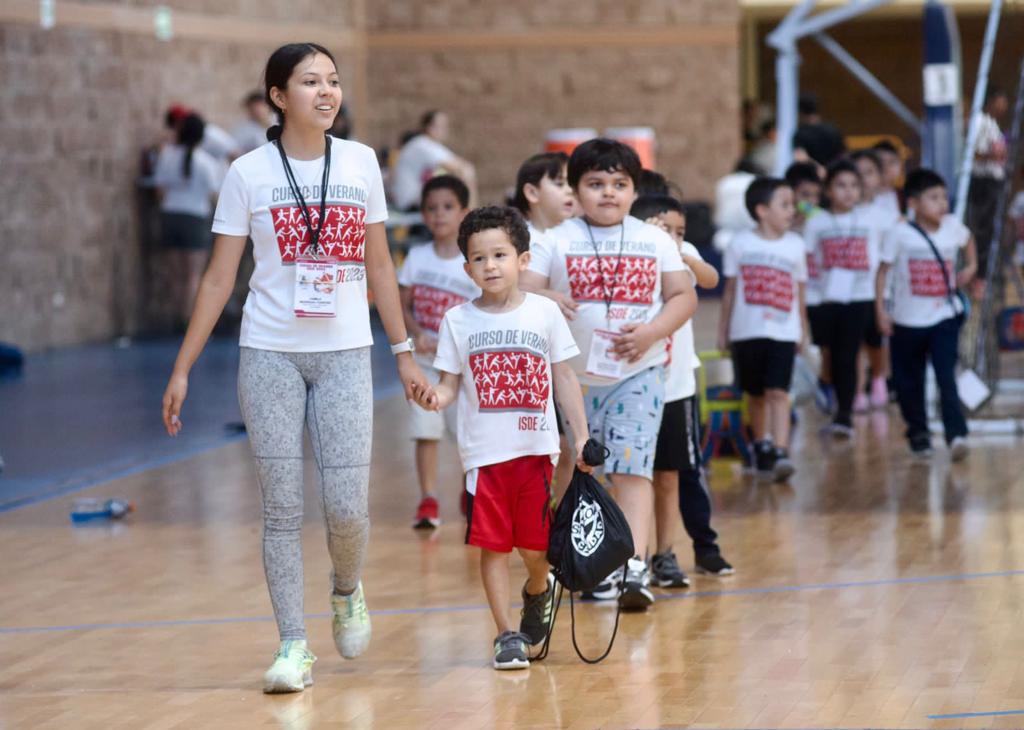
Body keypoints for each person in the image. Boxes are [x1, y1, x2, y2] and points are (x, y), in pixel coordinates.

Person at [160, 43, 429, 694]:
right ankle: (292, 645)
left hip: (344, 355)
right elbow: (221, 276)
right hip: (269, 353)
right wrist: (183, 368)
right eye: (310, 81)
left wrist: (402, 351)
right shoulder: (248, 172)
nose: (327, 92)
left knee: (346, 509)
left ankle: (346, 588)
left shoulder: (361, 162)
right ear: (279, 97)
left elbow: (379, 268)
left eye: (333, 81)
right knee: (281, 509)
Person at [521, 138, 698, 610]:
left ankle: (634, 566)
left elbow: (684, 295)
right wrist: (548, 297)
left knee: (633, 466)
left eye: (619, 184)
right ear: (576, 191)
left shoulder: (654, 239)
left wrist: (652, 332)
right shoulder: (555, 240)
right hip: (574, 381)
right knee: (585, 470)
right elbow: (523, 290)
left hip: (639, 373)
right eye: (595, 184)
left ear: (634, 190)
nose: (608, 193)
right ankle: (588, 564)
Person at [412, 206, 592, 669]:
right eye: (479, 258)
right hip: (484, 456)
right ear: (466, 267)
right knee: (492, 546)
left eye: (500, 255)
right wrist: (433, 397)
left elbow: (564, 377)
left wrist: (582, 436)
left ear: (523, 259)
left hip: (535, 452)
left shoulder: (544, 313)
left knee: (534, 549)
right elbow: (449, 385)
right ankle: (505, 634)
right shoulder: (458, 321)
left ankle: (539, 587)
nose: (490, 265)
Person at [632, 194, 733, 582]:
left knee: (671, 473)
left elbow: (710, 278)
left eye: (679, 230)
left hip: (675, 385)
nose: (674, 235)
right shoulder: (631, 256)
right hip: (635, 382)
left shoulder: (683, 253)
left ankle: (665, 554)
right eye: (665, 229)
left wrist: (681, 252)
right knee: (630, 476)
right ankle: (632, 558)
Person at [876, 169, 976, 459]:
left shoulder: (952, 227)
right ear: (914, 203)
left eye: (944, 197)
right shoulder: (899, 234)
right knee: (909, 380)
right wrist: (881, 311)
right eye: (933, 198)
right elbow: (882, 273)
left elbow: (968, 242)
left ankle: (956, 434)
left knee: (947, 375)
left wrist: (969, 267)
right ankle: (918, 432)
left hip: (944, 316)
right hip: (906, 320)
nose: (942, 203)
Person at [398, 175, 478, 528]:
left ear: (464, 212)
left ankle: (470, 492)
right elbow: (400, 307)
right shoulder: (416, 257)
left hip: (463, 366)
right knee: (425, 430)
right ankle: (428, 498)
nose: (439, 215)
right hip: (425, 362)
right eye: (431, 209)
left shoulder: (474, 260)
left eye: (447, 208)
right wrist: (416, 334)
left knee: (467, 435)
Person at [718, 178, 808, 480]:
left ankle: (781, 449)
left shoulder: (796, 245)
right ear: (761, 210)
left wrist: (803, 331)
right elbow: (730, 292)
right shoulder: (740, 244)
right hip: (746, 332)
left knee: (778, 391)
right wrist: (723, 331)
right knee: (755, 394)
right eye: (784, 204)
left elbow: (800, 293)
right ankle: (762, 445)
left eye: (792, 204)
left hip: (784, 332)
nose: (791, 210)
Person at [804, 159, 887, 437]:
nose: (848, 191)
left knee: (848, 354)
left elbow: (880, 259)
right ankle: (830, 396)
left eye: (853, 186)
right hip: (826, 299)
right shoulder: (817, 222)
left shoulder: (870, 219)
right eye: (841, 185)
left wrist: (880, 301)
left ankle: (845, 414)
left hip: (860, 297)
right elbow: (808, 261)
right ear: (828, 190)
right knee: (827, 354)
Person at [512, 152, 576, 492]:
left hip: (558, 362)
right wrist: (550, 295)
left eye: (572, 184)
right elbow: (514, 289)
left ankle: (556, 517)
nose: (570, 192)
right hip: (523, 361)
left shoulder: (565, 237)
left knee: (566, 447)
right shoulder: (520, 239)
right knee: (544, 447)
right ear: (532, 193)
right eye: (560, 183)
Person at [153, 112, 223, 327]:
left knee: (175, 274)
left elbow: (159, 190)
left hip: (170, 215)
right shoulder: (206, 162)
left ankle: (174, 317)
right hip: (195, 217)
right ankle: (189, 320)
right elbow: (215, 194)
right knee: (193, 275)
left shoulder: (166, 156)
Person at [851, 149, 900, 413]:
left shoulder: (887, 215)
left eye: (869, 172)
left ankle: (879, 378)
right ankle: (858, 390)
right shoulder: (845, 214)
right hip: (854, 290)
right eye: (857, 173)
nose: (863, 179)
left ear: (879, 177)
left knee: (877, 341)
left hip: (882, 288)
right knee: (857, 343)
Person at [785, 162, 831, 414]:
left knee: (823, 347)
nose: (810, 201)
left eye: (815, 195)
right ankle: (789, 396)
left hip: (818, 298)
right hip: (791, 301)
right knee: (794, 346)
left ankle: (823, 385)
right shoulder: (779, 228)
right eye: (804, 195)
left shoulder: (823, 224)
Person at [967, 86, 1010, 293]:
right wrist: (993, 157)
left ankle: (986, 273)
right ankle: (979, 276)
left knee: (991, 228)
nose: (1005, 106)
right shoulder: (978, 122)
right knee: (983, 228)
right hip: (983, 181)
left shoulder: (993, 124)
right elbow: (970, 154)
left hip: (993, 181)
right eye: (1001, 101)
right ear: (990, 101)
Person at [391, 110, 477, 211]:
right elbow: (462, 168)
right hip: (410, 202)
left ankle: (469, 215)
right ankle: (470, 216)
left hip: (416, 200)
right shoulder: (422, 144)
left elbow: (458, 163)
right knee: (463, 175)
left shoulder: (427, 144)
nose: (445, 130)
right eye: (441, 126)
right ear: (429, 128)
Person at [793, 93, 846, 167]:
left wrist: (820, 169)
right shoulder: (833, 129)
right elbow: (842, 155)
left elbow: (801, 158)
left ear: (800, 112)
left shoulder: (800, 134)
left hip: (813, 175)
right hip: (834, 174)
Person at [872, 140, 904, 220]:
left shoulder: (905, 198)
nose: (886, 167)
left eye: (892, 162)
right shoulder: (859, 197)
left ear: (900, 166)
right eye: (881, 162)